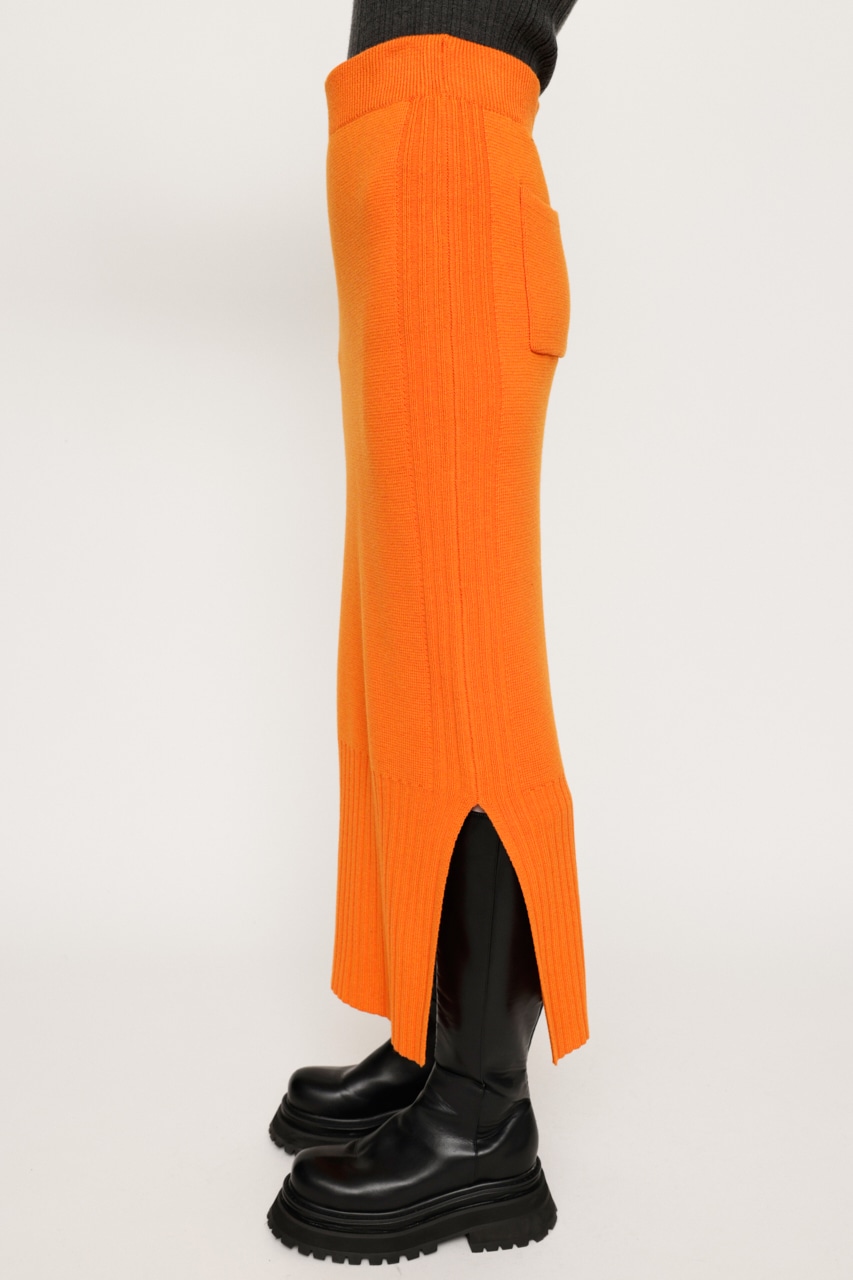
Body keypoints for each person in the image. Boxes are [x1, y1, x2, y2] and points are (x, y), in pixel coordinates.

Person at [267, 1, 589, 1262]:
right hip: (399, 155)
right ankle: (430, 1028)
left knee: (464, 652)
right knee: (400, 645)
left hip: (449, 152)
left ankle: (478, 1109)